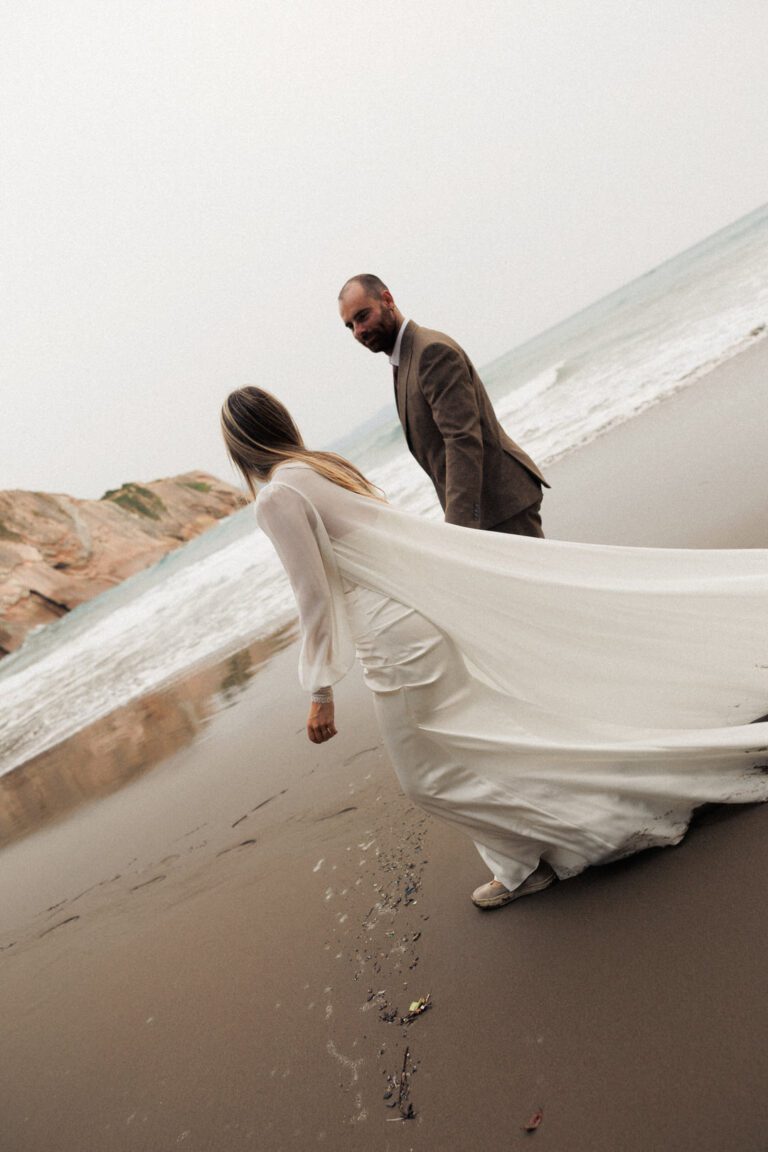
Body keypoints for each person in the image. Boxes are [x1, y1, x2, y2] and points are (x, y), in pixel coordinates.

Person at [220, 387, 768, 908]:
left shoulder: (276, 497)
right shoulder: (322, 468)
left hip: (391, 642)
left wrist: (320, 690)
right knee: (478, 743)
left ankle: (571, 843)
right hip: (417, 622)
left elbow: (312, 594)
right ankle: (525, 857)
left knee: (426, 779)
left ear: (238, 445)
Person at [337, 274, 549, 536]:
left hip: (500, 505)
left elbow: (462, 439)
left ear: (388, 300)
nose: (359, 331)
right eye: (350, 326)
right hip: (487, 512)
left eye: (363, 316)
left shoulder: (431, 352)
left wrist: (458, 530)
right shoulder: (405, 359)